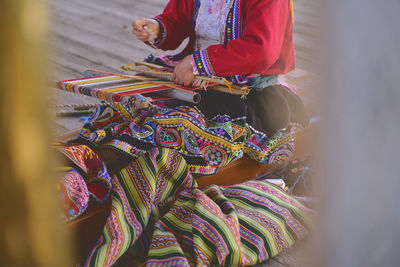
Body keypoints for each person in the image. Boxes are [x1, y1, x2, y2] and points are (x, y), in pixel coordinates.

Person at [132, 0, 309, 137]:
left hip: (243, 88)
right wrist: (157, 28)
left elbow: (262, 50)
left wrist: (196, 63)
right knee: (134, 105)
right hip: (191, 76)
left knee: (180, 128)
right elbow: (176, 19)